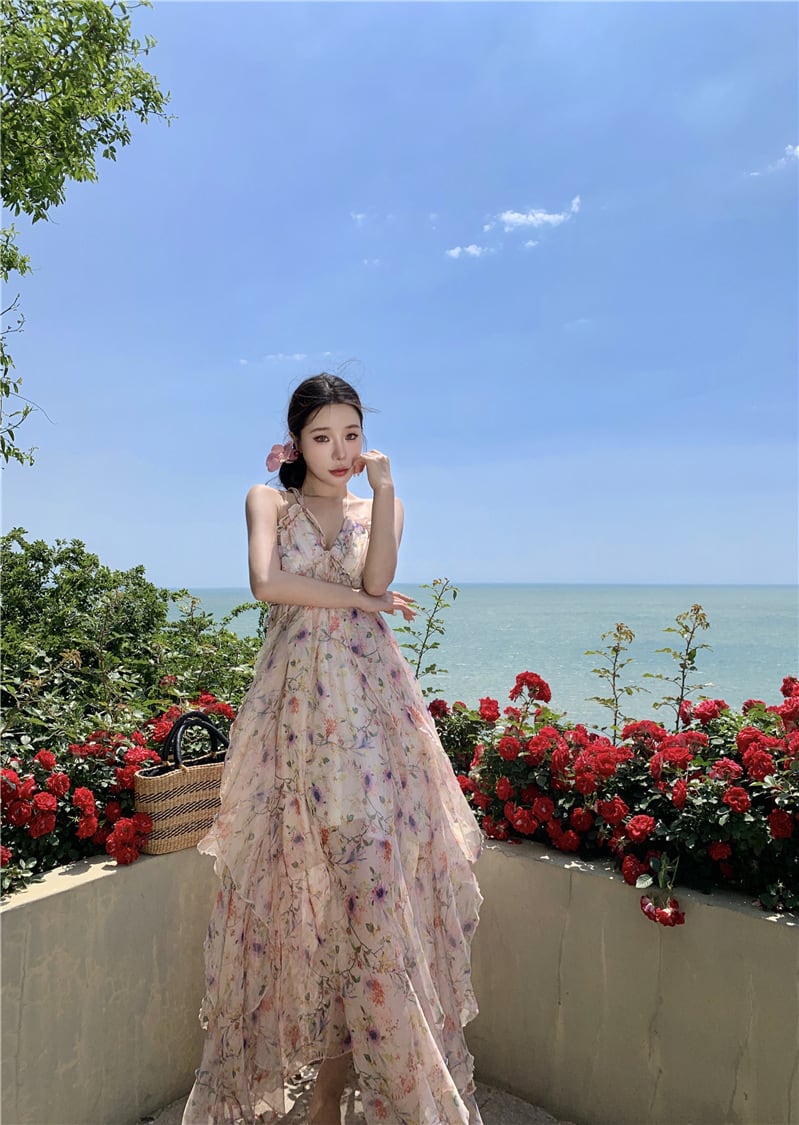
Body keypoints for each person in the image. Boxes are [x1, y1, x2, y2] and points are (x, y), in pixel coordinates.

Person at [181, 373, 484, 1125]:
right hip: (291, 720)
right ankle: (317, 1095)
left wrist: (385, 490)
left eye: (352, 434)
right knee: (298, 905)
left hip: (372, 720)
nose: (340, 450)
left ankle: (337, 1097)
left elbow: (381, 574)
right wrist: (359, 601)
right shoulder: (267, 501)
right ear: (296, 441)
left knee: (371, 906)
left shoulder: (380, 504)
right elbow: (267, 583)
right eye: (323, 436)